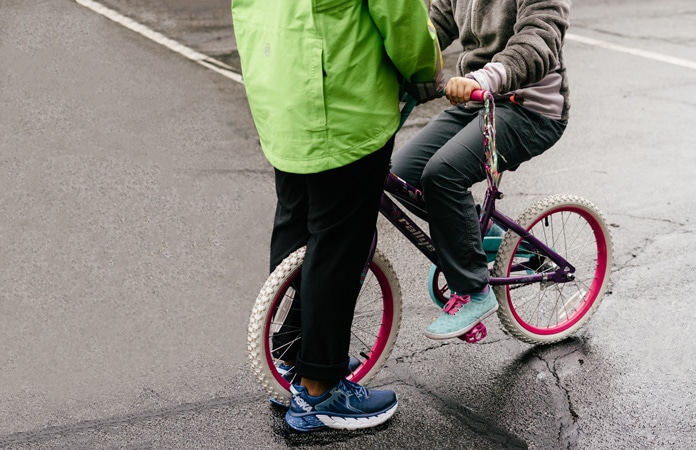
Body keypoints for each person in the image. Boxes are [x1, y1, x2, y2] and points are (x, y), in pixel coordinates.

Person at [232, 0, 442, 433]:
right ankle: (320, 388)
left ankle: (294, 356)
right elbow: (401, 17)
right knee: (340, 242)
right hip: (341, 100)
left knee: (296, 223)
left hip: (281, 92)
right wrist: (425, 71)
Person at [391, 0, 571, 340]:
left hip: (528, 107)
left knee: (443, 175)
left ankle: (474, 290)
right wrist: (393, 63)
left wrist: (487, 76)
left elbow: (540, 37)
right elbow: (432, 26)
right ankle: (485, 238)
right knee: (402, 173)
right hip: (478, 98)